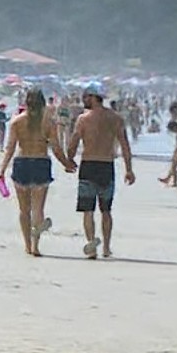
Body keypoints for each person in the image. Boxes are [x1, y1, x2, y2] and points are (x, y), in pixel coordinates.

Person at [0, 89, 77, 256]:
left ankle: (27, 245)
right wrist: (66, 163)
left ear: (26, 102)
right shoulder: (48, 122)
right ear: (42, 104)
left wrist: (2, 170)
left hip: (22, 163)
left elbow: (10, 148)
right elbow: (55, 147)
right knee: (38, 209)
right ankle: (35, 245)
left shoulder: (17, 122)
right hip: (41, 162)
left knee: (24, 210)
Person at [67, 84, 135, 259]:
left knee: (88, 209)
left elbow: (74, 141)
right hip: (106, 166)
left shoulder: (83, 119)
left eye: (85, 97)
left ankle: (91, 246)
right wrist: (129, 169)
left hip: (88, 166)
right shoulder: (115, 118)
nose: (83, 100)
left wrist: (70, 159)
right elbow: (125, 145)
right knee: (106, 209)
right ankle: (105, 247)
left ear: (93, 97)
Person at [158, 102, 177, 187]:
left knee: (175, 162)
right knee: (174, 162)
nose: (172, 114)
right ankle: (170, 179)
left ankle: (171, 180)